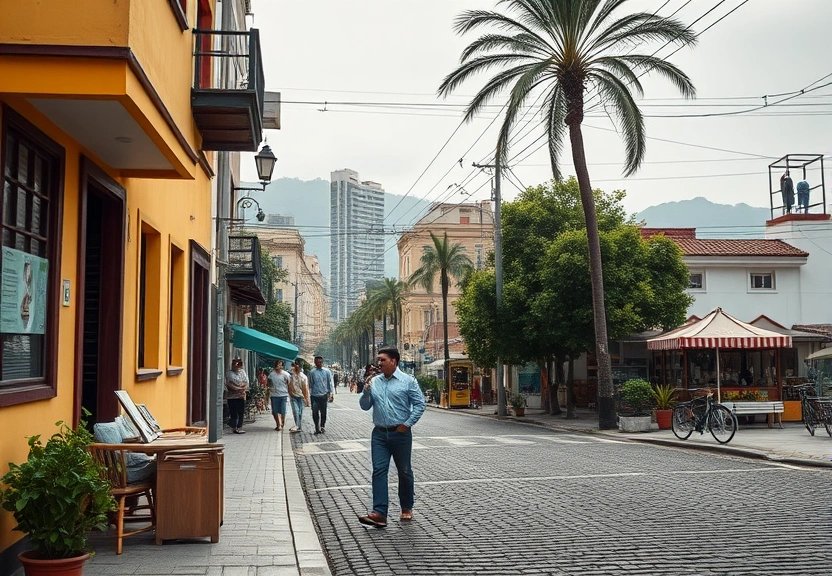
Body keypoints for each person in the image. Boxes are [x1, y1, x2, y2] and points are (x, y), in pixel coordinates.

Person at [358, 347, 426, 528]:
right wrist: (366, 391)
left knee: (404, 471)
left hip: (400, 434)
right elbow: (364, 406)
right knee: (379, 470)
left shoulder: (408, 381)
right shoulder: (374, 382)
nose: (378, 363)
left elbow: (420, 404)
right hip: (379, 434)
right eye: (378, 360)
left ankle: (407, 506)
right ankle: (379, 513)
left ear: (394, 361)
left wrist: (407, 424)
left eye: (382, 360)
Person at [308, 355, 334, 434]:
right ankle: (316, 427)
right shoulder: (312, 372)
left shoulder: (327, 372)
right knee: (315, 412)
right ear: (315, 362)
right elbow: (310, 384)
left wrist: (331, 393)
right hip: (314, 396)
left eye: (320, 362)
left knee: (323, 412)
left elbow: (330, 382)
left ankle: (322, 426)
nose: (319, 363)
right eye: (317, 362)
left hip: (324, 395)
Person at [225, 357, 249, 434]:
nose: (237, 366)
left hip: (241, 396)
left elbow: (246, 381)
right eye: (235, 364)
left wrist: (242, 387)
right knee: (233, 412)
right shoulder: (229, 373)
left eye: (239, 364)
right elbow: (231, 383)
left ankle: (239, 427)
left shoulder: (242, 372)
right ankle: (234, 426)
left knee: (241, 412)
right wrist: (239, 387)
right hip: (232, 396)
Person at [268, 359, 291, 431]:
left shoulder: (286, 375)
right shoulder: (271, 375)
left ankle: (282, 423)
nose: (279, 366)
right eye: (278, 364)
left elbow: (289, 384)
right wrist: (269, 392)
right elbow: (269, 384)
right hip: (274, 395)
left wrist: (290, 394)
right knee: (275, 411)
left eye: (280, 365)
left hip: (283, 395)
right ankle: (278, 424)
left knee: (282, 411)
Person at [288, 360, 311, 433]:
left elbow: (305, 389)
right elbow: (289, 386)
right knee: (296, 411)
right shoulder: (291, 376)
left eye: (294, 366)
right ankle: (297, 426)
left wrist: (307, 400)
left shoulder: (303, 377)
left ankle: (298, 426)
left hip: (301, 397)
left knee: (300, 412)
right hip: (293, 396)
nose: (292, 368)